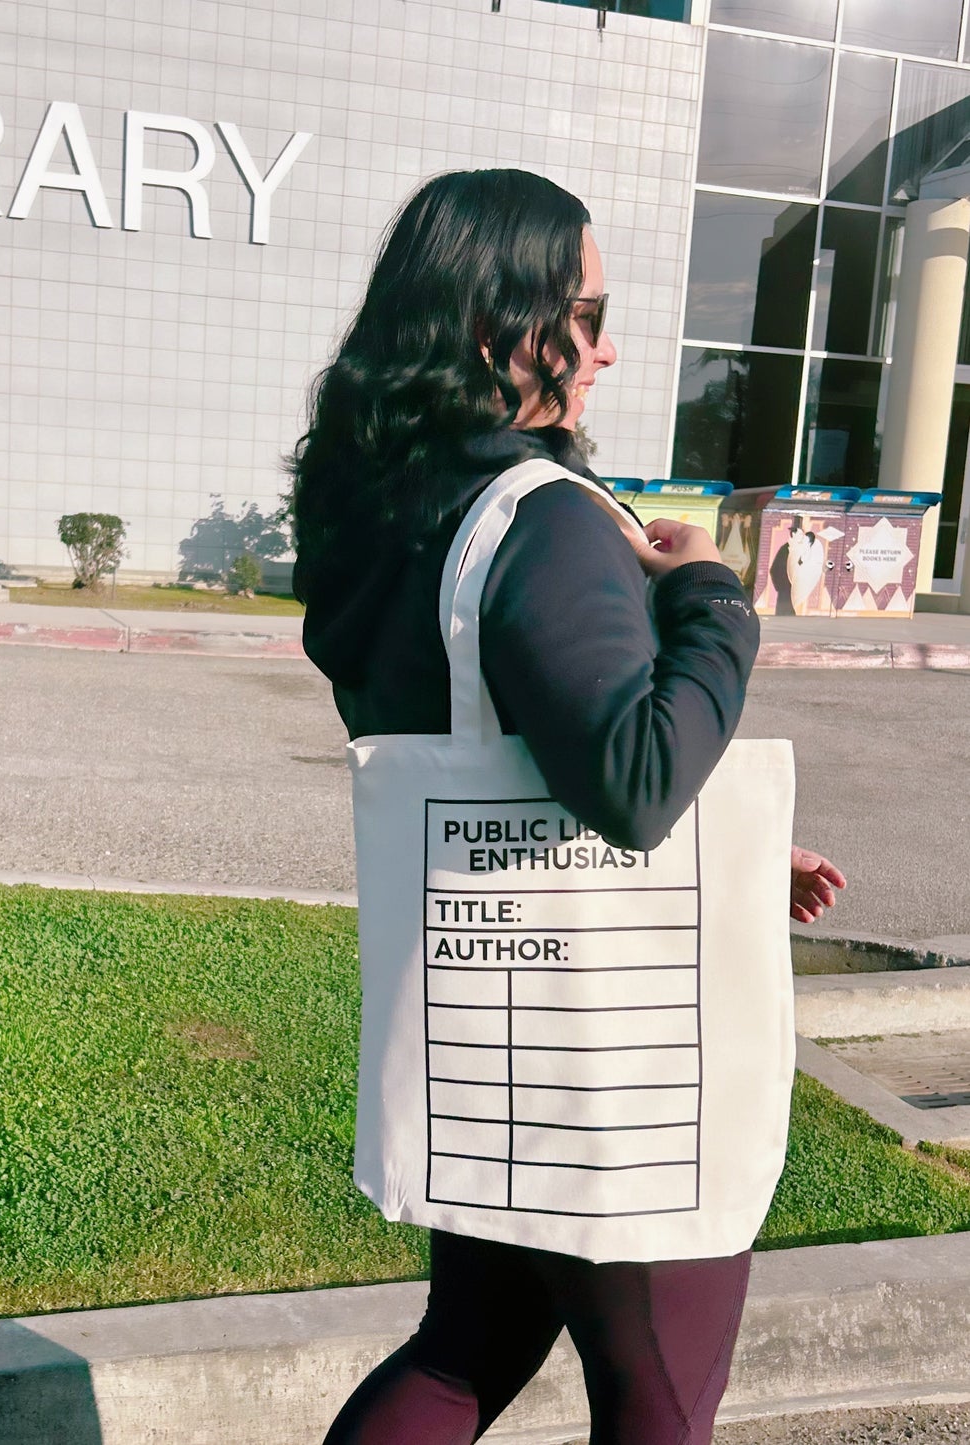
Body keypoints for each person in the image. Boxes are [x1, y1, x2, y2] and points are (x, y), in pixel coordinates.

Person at [289, 169, 846, 1445]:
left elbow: (529, 764)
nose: (605, 346)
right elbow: (631, 779)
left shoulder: (399, 513)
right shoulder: (543, 522)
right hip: (611, 1062)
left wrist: (732, 854)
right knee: (656, 1400)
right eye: (585, 313)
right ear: (502, 326)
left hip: (489, 1026)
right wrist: (712, 596)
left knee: (467, 1348)